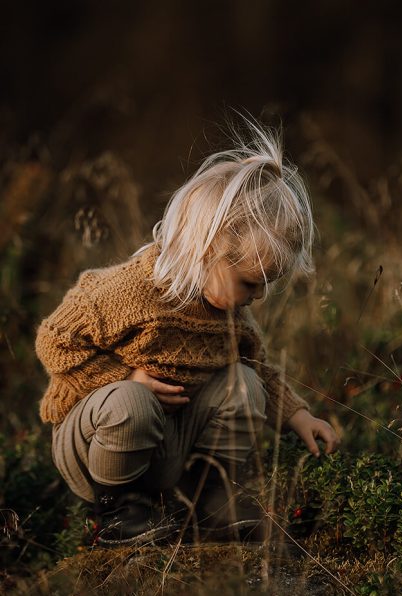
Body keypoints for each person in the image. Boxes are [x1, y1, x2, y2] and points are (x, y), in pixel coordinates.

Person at [35, 116, 340, 546]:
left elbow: (263, 373)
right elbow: (54, 340)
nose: (258, 297)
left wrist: (298, 416)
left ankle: (210, 503)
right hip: (93, 450)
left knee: (245, 383)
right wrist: (123, 378)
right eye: (250, 283)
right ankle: (119, 514)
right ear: (205, 250)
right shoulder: (125, 292)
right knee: (132, 401)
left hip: (165, 447)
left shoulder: (230, 317)